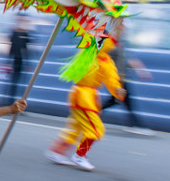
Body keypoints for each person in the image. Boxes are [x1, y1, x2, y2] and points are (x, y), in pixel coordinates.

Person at [44, 38, 126, 171]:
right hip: (84, 98)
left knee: (75, 128)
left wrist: (117, 89)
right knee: (95, 129)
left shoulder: (104, 59)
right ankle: (80, 155)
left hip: (87, 97)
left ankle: (57, 152)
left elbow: (111, 78)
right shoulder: (88, 53)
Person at [100, 21, 154, 135]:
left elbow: (126, 59)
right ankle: (135, 125)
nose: (124, 29)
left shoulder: (122, 42)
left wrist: (139, 68)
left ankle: (92, 112)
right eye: (122, 27)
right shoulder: (110, 43)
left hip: (122, 77)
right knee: (125, 101)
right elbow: (108, 59)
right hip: (116, 77)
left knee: (117, 101)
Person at [7, 15, 33, 102]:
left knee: (21, 84)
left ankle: (20, 102)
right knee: (13, 83)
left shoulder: (24, 32)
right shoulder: (14, 31)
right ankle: (10, 102)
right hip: (15, 60)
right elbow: (12, 47)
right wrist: (8, 62)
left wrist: (28, 63)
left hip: (21, 60)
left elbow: (26, 47)